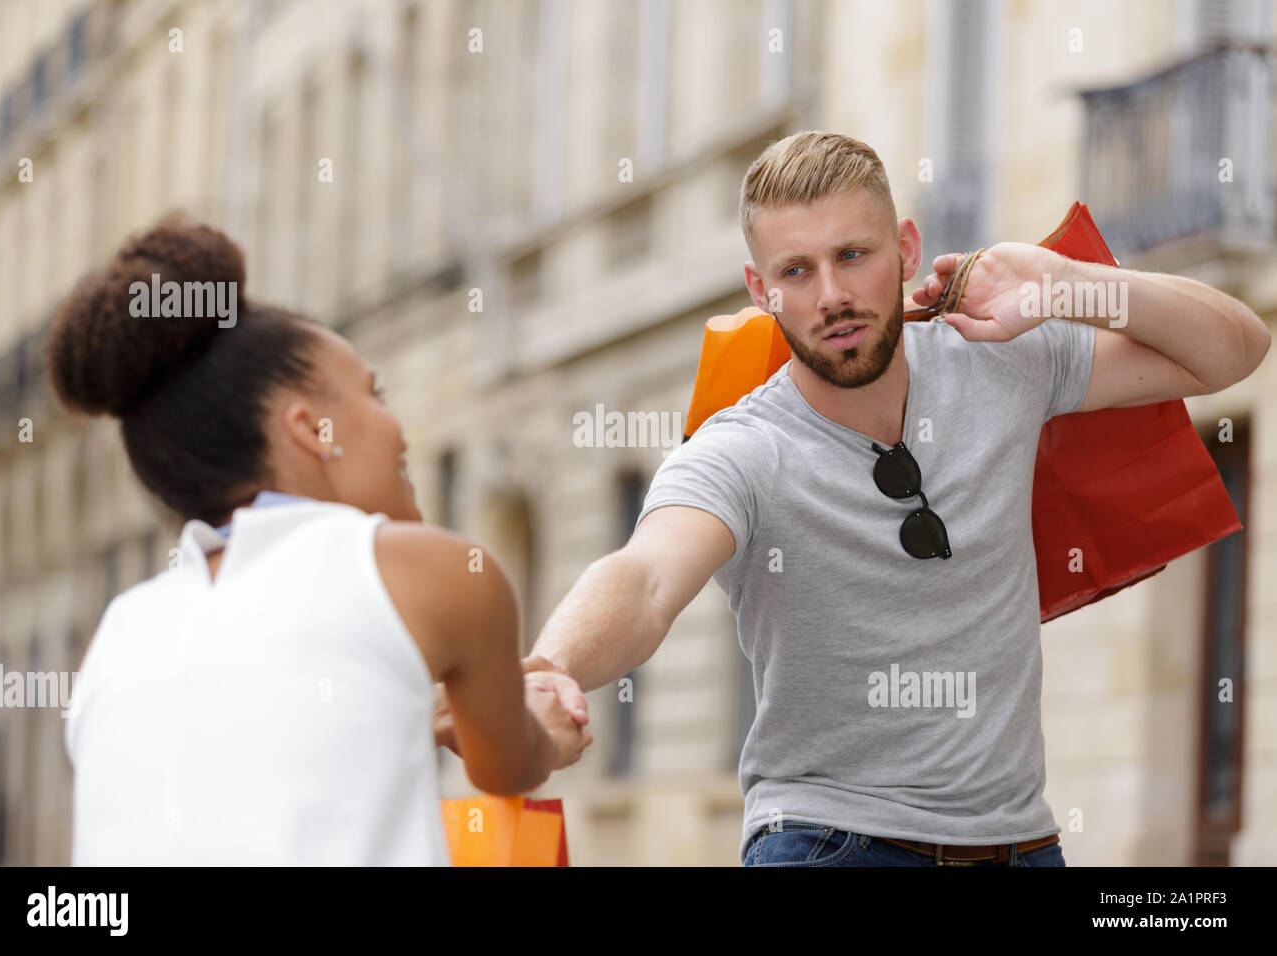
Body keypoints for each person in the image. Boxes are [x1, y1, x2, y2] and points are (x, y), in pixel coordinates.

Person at [519, 130, 1270, 866]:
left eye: (853, 255)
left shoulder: (1000, 360)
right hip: (828, 840)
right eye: (798, 270)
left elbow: (1236, 349)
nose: (834, 296)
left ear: (907, 249)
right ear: (761, 290)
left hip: (1022, 842)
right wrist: (550, 667)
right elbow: (645, 578)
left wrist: (1065, 285)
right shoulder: (743, 450)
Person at [51, 214, 592, 865]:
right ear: (310, 429)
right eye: (374, 393)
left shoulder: (120, 632)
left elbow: (247, 779)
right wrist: (548, 727)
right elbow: (511, 767)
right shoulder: (436, 572)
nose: (396, 427)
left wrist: (411, 720)